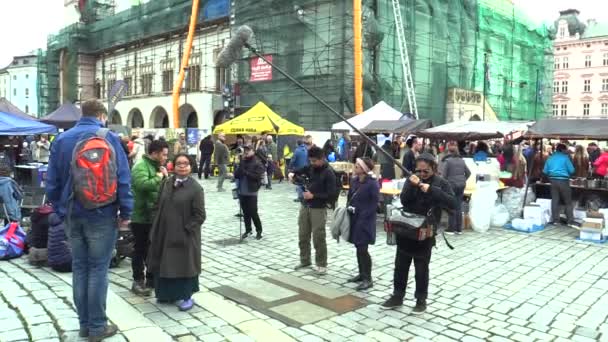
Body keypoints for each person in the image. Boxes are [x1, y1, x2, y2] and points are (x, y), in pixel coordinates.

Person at [46, 99, 133, 341]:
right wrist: (126, 212)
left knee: (80, 268)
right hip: (103, 213)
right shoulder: (110, 137)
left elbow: (51, 183)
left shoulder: (62, 140)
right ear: (102, 115)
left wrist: (61, 209)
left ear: (81, 114)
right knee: (98, 269)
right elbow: (123, 178)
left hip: (73, 213)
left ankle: (85, 325)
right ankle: (97, 327)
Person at [382, 153, 456, 313]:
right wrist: (412, 184)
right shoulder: (412, 179)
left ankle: (421, 300)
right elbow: (404, 200)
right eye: (419, 171)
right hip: (407, 229)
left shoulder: (441, 183)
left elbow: (453, 203)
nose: (421, 174)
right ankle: (397, 295)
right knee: (400, 265)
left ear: (434, 169)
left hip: (425, 231)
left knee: (421, 268)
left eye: (426, 171)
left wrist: (431, 190)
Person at [147, 154, 205, 311]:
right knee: (164, 263)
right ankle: (166, 294)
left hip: (184, 236)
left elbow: (200, 216)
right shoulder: (167, 183)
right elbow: (158, 204)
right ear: (174, 166)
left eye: (186, 164)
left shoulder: (195, 189)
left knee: (183, 265)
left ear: (190, 167)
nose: (182, 166)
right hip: (164, 233)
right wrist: (155, 222)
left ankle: (186, 296)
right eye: (179, 163)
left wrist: (186, 230)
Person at [130, 140, 169, 296]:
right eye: (164, 154)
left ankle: (152, 279)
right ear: (155, 153)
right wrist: (160, 176)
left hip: (155, 215)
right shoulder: (141, 166)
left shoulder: (156, 166)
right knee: (140, 249)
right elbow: (142, 185)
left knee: (153, 249)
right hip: (141, 216)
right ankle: (138, 280)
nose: (166, 157)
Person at [292, 146, 336, 275]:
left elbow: (331, 195)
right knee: (303, 234)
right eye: (311, 161)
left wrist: (314, 196)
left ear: (322, 159)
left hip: (319, 207)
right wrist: (293, 174)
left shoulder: (329, 173)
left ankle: (321, 264)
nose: (312, 164)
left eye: (315, 161)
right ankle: (305, 260)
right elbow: (299, 171)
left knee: (318, 236)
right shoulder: (310, 167)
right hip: (305, 206)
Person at [346, 158, 379, 291]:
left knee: (363, 249)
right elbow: (350, 196)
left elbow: (374, 204)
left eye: (358, 165)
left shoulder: (372, 184)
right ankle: (361, 273)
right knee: (357, 246)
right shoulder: (354, 180)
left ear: (365, 169)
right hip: (354, 218)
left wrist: (364, 216)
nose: (355, 166)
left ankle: (368, 278)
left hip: (365, 220)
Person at [234, 144, 265, 240]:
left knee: (253, 212)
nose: (246, 151)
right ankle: (248, 230)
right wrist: (238, 165)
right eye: (245, 149)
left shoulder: (257, 162)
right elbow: (237, 175)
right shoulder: (243, 161)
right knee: (245, 212)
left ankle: (259, 230)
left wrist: (246, 172)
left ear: (253, 151)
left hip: (252, 191)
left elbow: (257, 177)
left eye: (248, 150)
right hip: (242, 191)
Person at [440, 141, 471, 234]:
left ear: (449, 152)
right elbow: (469, 173)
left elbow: (443, 176)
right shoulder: (462, 161)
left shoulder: (448, 161)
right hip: (461, 185)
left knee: (451, 206)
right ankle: (459, 229)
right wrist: (463, 179)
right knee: (458, 206)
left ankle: (451, 229)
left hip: (452, 185)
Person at [543, 143, 575, 225]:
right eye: (566, 149)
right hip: (563, 180)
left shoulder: (550, 158)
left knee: (555, 200)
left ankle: (555, 220)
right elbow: (572, 170)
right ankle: (570, 221)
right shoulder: (565, 158)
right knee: (568, 201)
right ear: (562, 150)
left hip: (552, 180)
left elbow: (545, 171)